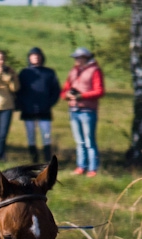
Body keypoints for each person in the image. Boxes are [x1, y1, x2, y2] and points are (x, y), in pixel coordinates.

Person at [61, 47, 105, 177]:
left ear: (86, 58)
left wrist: (82, 96)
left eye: (79, 57)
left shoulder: (95, 70)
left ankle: (93, 168)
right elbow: (64, 91)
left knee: (89, 141)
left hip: (88, 110)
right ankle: (81, 167)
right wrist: (67, 95)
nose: (76, 60)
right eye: (75, 58)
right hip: (73, 109)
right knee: (79, 141)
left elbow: (100, 91)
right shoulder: (73, 71)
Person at [17, 47, 61, 165]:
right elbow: (18, 91)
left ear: (42, 57)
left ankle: (47, 161)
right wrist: (23, 105)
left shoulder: (49, 73)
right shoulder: (24, 73)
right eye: (33, 55)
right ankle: (34, 161)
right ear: (29, 58)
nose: (36, 57)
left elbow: (56, 91)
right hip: (28, 110)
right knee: (31, 136)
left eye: (38, 55)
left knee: (46, 136)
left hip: (44, 110)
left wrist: (48, 104)